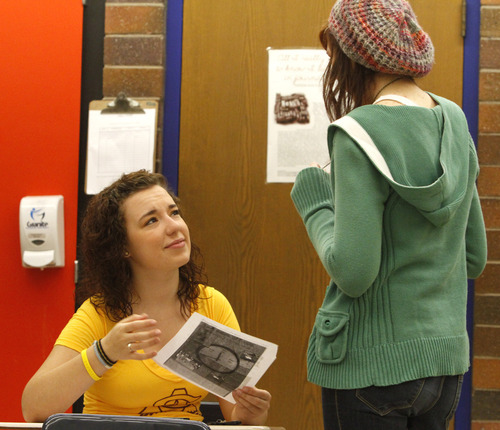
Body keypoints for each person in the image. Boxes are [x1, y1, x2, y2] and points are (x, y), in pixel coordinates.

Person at [290, 1, 487, 429]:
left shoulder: (358, 132)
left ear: (351, 55)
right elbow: (474, 258)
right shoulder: (453, 120)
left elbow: (355, 272)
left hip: (370, 366)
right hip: (443, 364)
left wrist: (317, 205)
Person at [22, 170, 271, 424]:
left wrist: (252, 413)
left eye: (174, 213)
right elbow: (33, 409)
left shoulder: (211, 304)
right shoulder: (99, 312)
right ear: (123, 247)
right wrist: (104, 352)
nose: (174, 226)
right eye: (151, 221)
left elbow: (237, 419)